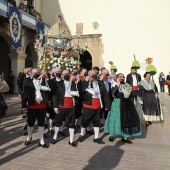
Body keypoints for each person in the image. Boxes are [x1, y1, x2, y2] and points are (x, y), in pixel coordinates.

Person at [104, 73, 141, 143]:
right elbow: (113, 94)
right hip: (117, 103)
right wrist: (117, 85)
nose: (121, 78)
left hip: (126, 103)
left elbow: (130, 94)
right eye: (119, 77)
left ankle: (125, 136)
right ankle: (112, 134)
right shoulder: (114, 84)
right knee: (115, 119)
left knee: (125, 119)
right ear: (117, 77)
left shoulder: (127, 85)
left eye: (122, 77)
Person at [79, 69, 110, 144]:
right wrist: (86, 81)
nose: (93, 76)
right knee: (85, 121)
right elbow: (81, 91)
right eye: (91, 74)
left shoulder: (100, 83)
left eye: (95, 74)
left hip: (97, 105)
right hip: (88, 105)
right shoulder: (85, 83)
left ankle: (96, 137)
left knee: (97, 122)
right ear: (88, 75)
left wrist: (107, 104)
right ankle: (81, 134)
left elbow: (105, 94)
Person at [22, 68, 50, 148]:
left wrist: (45, 79)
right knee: (31, 123)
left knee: (41, 123)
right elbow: (25, 94)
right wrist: (24, 106)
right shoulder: (27, 81)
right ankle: (29, 137)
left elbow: (48, 91)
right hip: (32, 105)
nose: (36, 74)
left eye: (37, 72)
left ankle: (41, 140)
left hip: (42, 105)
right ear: (31, 74)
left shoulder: (44, 81)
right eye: (34, 73)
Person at [51, 70, 79, 147]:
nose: (66, 75)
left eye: (67, 73)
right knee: (58, 122)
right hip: (61, 106)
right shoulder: (58, 83)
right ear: (62, 75)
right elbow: (55, 96)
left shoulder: (73, 83)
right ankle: (55, 137)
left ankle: (71, 140)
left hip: (71, 106)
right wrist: (55, 106)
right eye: (64, 74)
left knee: (71, 123)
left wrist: (77, 81)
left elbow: (78, 92)